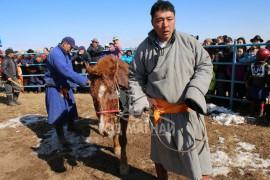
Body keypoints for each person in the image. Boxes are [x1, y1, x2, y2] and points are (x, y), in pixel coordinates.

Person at [128, 1, 212, 179]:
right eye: (159, 20)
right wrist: (141, 100)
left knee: (199, 159)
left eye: (169, 19)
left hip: (188, 110)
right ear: (152, 22)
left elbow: (205, 65)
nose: (165, 25)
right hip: (160, 114)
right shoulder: (144, 49)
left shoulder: (189, 42)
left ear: (175, 19)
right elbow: (135, 76)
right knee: (161, 155)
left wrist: (195, 91)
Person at [44, 37, 91, 145]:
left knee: (70, 107)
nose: (71, 49)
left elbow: (69, 70)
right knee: (58, 112)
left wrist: (72, 84)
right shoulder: (56, 53)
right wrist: (84, 80)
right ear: (64, 44)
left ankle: (71, 127)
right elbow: (64, 70)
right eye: (71, 47)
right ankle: (61, 137)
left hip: (65, 85)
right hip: (54, 86)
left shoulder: (66, 53)